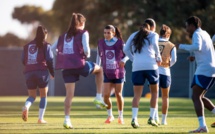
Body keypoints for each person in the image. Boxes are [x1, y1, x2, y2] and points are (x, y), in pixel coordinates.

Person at [51, 13, 107, 129]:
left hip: (66, 67)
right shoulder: (83, 33)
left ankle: (67, 120)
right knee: (100, 70)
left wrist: (63, 55)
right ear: (81, 23)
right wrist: (87, 54)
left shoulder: (63, 36)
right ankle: (98, 97)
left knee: (69, 96)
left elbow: (52, 49)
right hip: (79, 65)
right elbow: (86, 50)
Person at [176, 16, 215, 133]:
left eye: (187, 26)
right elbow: (206, 49)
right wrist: (195, 56)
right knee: (200, 97)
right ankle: (203, 124)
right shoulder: (205, 33)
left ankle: (202, 126)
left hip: (204, 69)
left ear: (192, 25)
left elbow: (197, 46)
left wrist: (181, 46)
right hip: (210, 68)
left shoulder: (197, 34)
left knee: (195, 96)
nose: (186, 28)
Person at [123, 21, 162, 128]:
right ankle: (151, 118)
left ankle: (134, 119)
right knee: (154, 93)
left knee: (137, 95)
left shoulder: (134, 35)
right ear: (152, 27)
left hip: (137, 67)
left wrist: (133, 59)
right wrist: (158, 57)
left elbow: (125, 49)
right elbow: (154, 44)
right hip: (151, 66)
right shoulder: (153, 34)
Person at [21, 25, 54, 124]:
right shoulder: (46, 45)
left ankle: (26, 106)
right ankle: (40, 118)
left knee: (32, 96)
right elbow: (49, 59)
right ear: (46, 34)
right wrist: (52, 72)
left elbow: (23, 60)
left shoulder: (27, 46)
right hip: (41, 72)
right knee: (43, 96)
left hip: (29, 72)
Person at [96, 25, 129, 124]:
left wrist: (123, 60)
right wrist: (97, 67)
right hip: (107, 73)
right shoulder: (101, 43)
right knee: (105, 95)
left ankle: (120, 116)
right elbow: (98, 56)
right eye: (105, 32)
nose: (106, 35)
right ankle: (110, 115)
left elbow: (128, 54)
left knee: (118, 95)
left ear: (113, 33)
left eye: (108, 33)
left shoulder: (120, 43)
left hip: (119, 72)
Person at [155, 24, 177, 125]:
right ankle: (164, 120)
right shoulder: (171, 45)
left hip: (154, 71)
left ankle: (154, 117)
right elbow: (174, 60)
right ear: (168, 35)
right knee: (165, 97)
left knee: (154, 96)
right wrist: (167, 65)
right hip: (165, 72)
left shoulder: (154, 42)